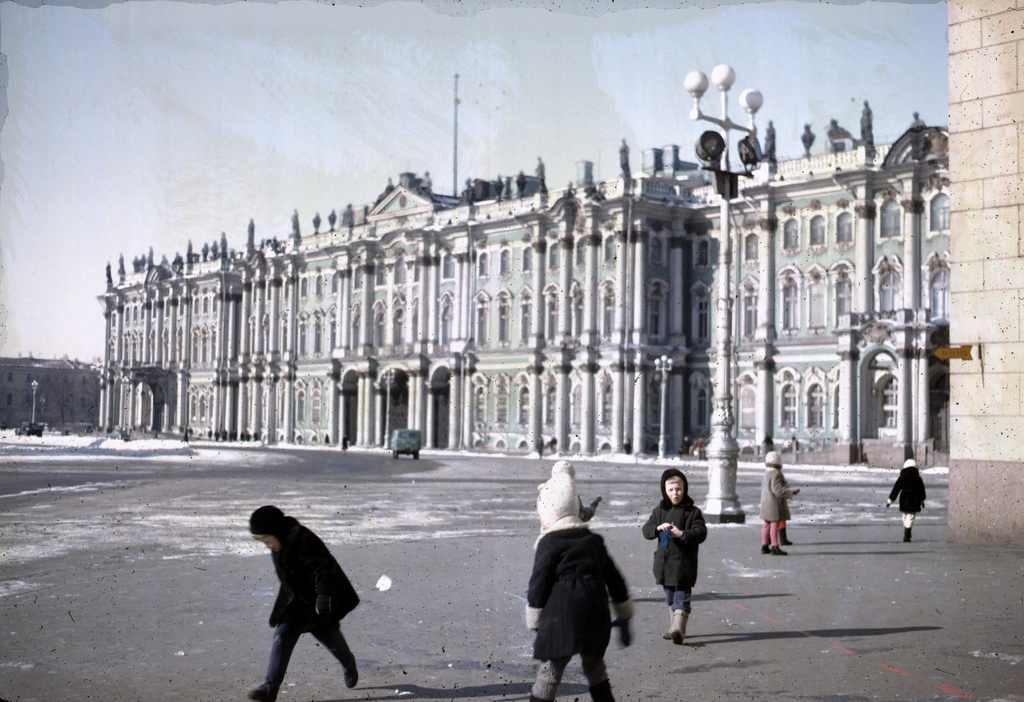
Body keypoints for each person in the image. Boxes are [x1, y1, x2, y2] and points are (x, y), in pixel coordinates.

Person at [526, 460, 633, 702]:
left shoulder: (548, 543)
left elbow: (539, 583)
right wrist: (624, 615)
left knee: (551, 672)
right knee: (595, 667)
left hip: (561, 617)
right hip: (595, 615)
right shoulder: (593, 540)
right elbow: (614, 578)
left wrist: (535, 618)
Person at [248, 506, 360, 702]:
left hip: (320, 600)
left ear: (276, 531)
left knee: (331, 640)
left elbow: (324, 567)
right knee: (282, 634)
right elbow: (287, 579)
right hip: (298, 601)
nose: (266, 545)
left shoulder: (303, 539)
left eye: (266, 540)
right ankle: (269, 688)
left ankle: (349, 664)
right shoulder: (280, 543)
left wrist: (324, 596)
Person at [641, 469, 707, 645]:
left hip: (684, 564)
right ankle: (673, 627)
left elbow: (701, 532)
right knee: (670, 597)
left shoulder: (693, 512)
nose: (675, 494)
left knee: (682, 597)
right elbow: (646, 530)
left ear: (684, 489)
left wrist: (682, 534)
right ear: (665, 491)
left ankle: (678, 629)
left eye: (678, 489)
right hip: (664, 564)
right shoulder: (659, 511)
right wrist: (657, 528)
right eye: (670, 490)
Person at [759, 451, 799, 556]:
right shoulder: (776, 474)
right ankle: (775, 546)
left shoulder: (767, 473)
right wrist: (791, 493)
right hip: (773, 504)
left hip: (766, 503)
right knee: (774, 524)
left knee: (766, 524)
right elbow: (777, 490)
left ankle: (764, 546)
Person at [887, 458, 926, 542]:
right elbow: (921, 490)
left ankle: (907, 531)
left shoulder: (902, 478)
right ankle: (907, 534)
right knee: (910, 517)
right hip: (915, 500)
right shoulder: (918, 478)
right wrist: (922, 501)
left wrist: (890, 500)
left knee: (905, 516)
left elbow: (896, 490)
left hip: (904, 500)